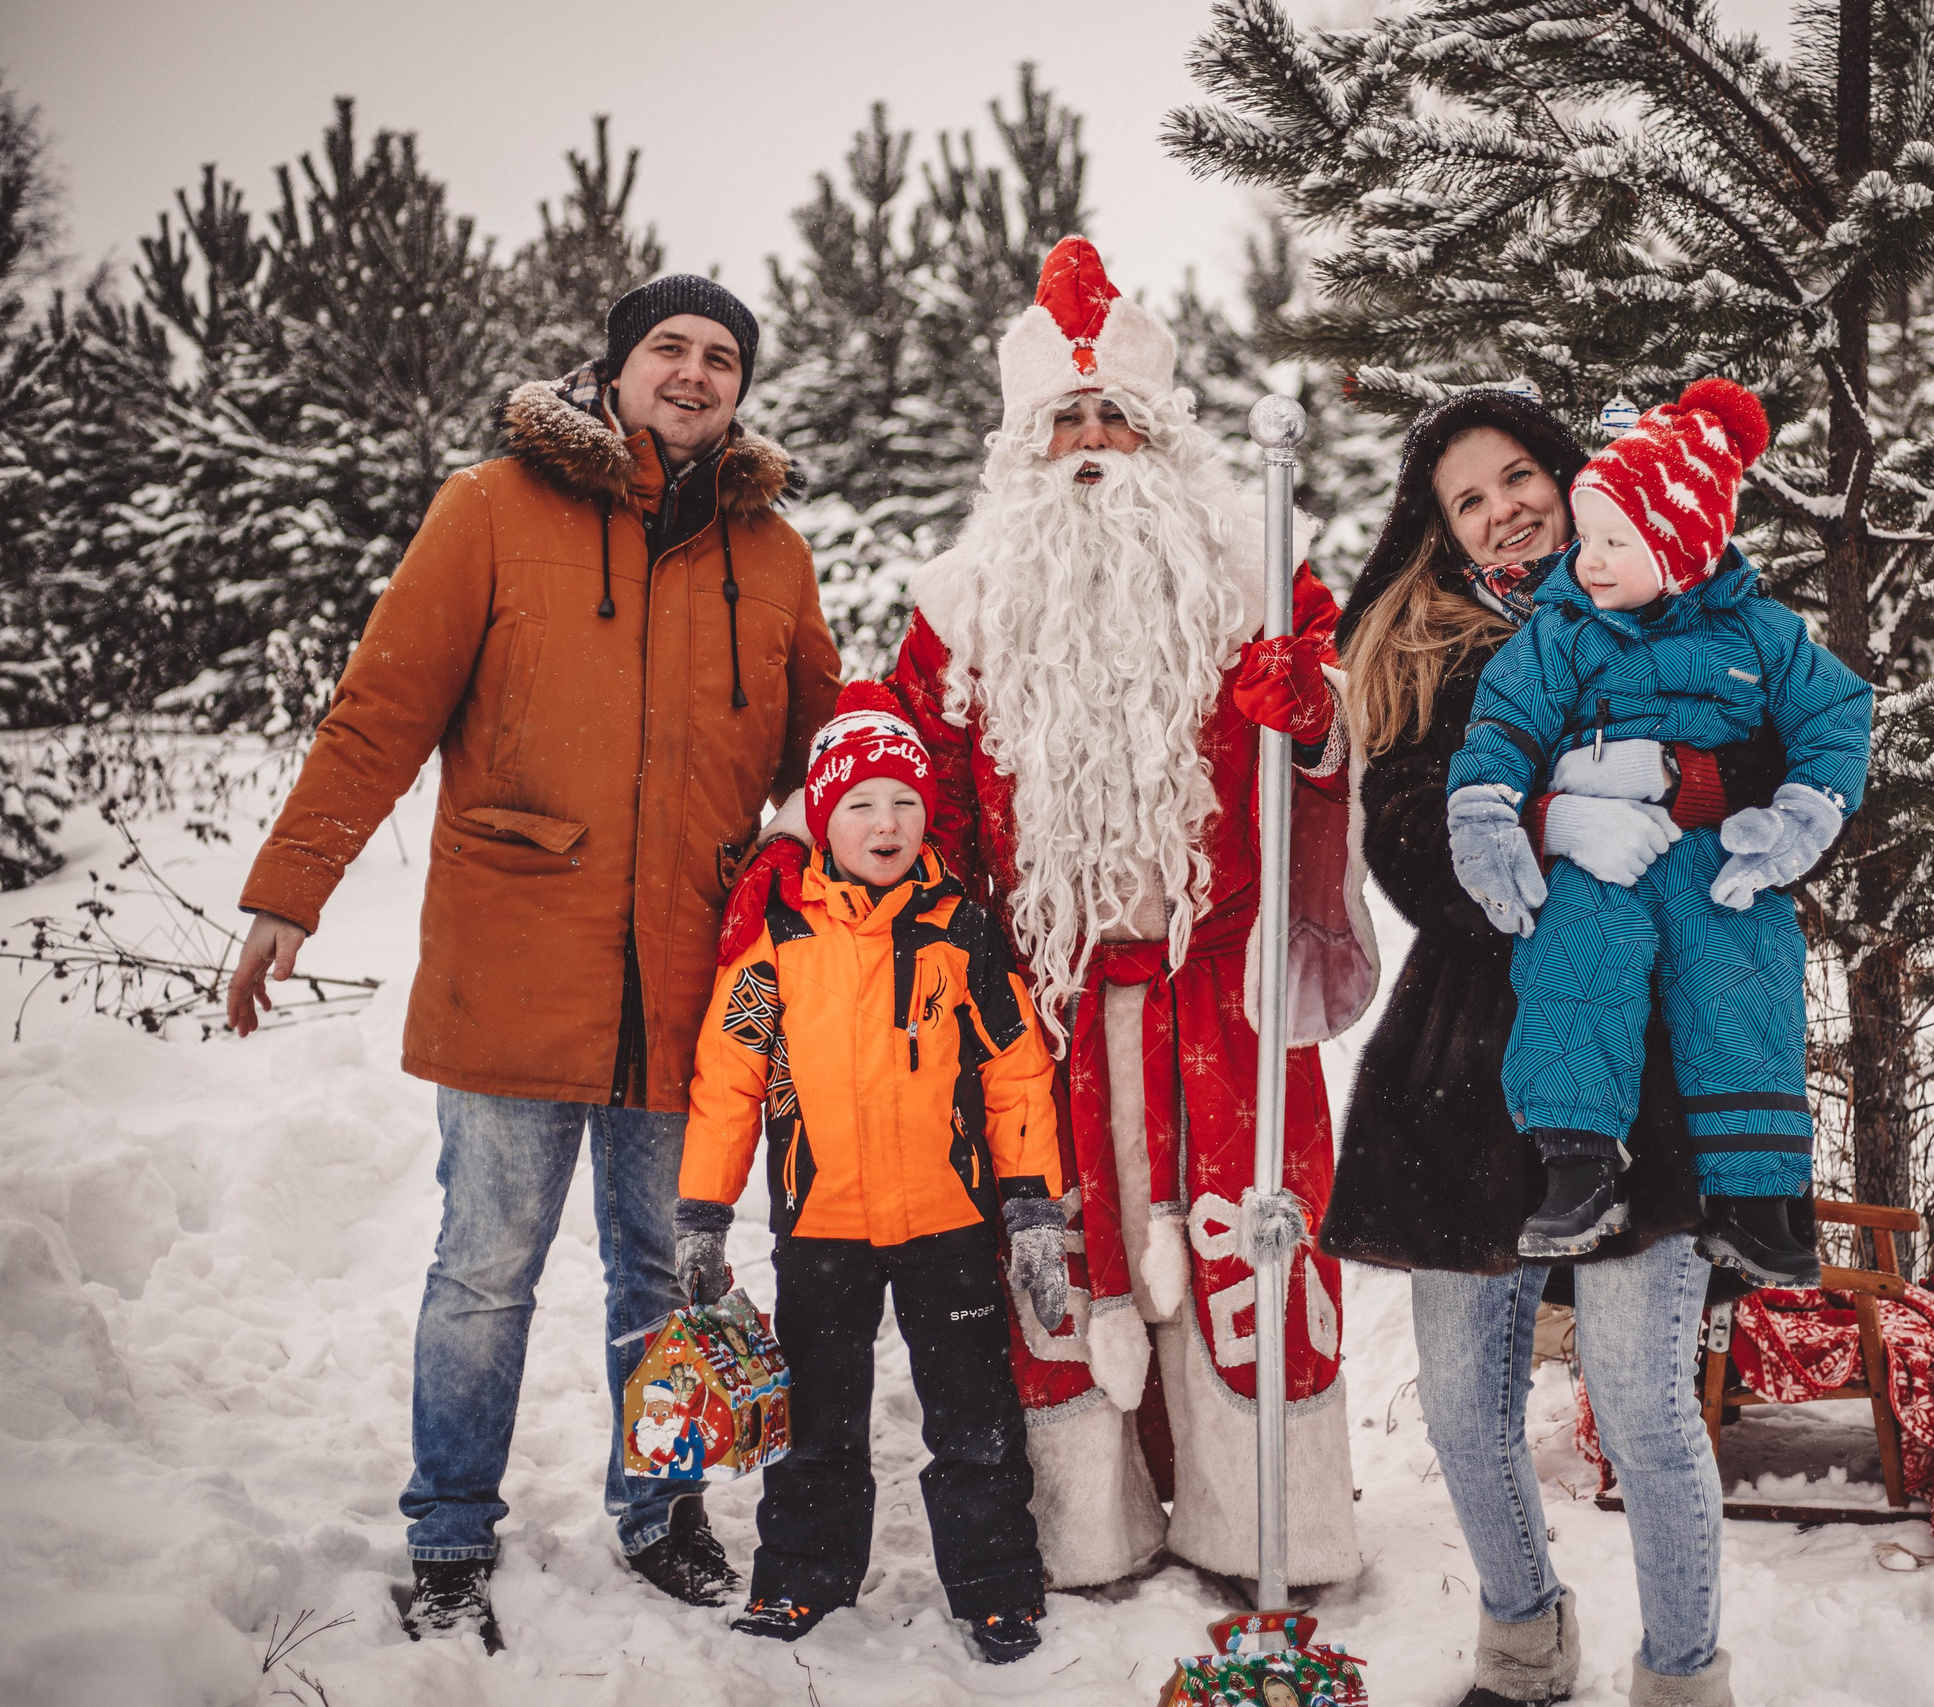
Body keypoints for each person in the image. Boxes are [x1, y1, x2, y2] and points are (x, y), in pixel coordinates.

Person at [724, 235, 1374, 1591]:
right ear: (1025, 448)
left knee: (1247, 1231)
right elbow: (910, 782)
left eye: (1113, 417)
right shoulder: (961, 606)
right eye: (1064, 420)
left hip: (1220, 981)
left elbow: (1329, 741)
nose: (1090, 443)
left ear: (1158, 435)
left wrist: (1306, 716)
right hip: (1047, 994)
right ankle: (1095, 1522)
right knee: (1059, 1245)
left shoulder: (1257, 573)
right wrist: (823, 850)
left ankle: (1266, 1519)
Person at [223, 274, 842, 1649]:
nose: (693, 373)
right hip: (517, 956)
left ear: (742, 388)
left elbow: (835, 763)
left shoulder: (776, 555)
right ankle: (449, 1531)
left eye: (721, 357)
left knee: (663, 1266)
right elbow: (379, 708)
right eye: (668, 349)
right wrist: (291, 889)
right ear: (613, 369)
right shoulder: (493, 507)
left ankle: (658, 1507)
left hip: (687, 977)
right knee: (485, 1263)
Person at [1320, 385, 1780, 1707]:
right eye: (1470, 496)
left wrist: (1670, 790)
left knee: (1643, 1408)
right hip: (1466, 1073)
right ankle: (1523, 1642)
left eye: (1520, 473)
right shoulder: (1420, 654)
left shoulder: (1678, 606)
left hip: (1651, 1068)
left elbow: (1765, 761)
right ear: (1446, 530)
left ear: (1569, 474)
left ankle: (1683, 1673)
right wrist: (1539, 827)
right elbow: (1409, 847)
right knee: (1465, 1411)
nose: (1504, 505)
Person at [1445, 378, 1872, 1286]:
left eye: (1612, 542)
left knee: (1743, 968)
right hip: (1599, 861)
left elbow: (1834, 714)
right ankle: (1576, 1160)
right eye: (1589, 536)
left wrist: (1798, 816)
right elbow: (1501, 730)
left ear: (1681, 552)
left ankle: (1756, 1200)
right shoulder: (1561, 631)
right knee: (1577, 951)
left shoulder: (1759, 632)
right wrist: (1499, 818)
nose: (1586, 559)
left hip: (1711, 857)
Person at [673, 686, 1066, 1660]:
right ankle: (803, 1576)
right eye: (859, 804)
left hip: (948, 1224)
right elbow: (727, 1079)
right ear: (822, 819)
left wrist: (1031, 1209)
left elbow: (1016, 1070)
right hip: (822, 1227)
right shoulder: (776, 941)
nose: (883, 822)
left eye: (902, 801)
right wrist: (702, 1214)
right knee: (817, 1421)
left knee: (973, 1423)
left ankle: (994, 1587)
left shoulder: (959, 931)